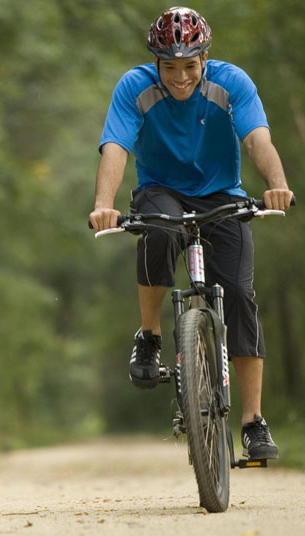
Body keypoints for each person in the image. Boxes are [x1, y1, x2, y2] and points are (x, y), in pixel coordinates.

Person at [89, 7, 294, 460]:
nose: (180, 77)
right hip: (161, 190)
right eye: (170, 66)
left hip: (222, 193)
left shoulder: (232, 82)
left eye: (190, 65)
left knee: (239, 295)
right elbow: (115, 147)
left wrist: (275, 185)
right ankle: (150, 336)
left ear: (205, 58)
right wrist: (105, 204)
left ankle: (253, 422)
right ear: (156, 63)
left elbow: (257, 138)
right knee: (156, 232)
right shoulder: (134, 87)